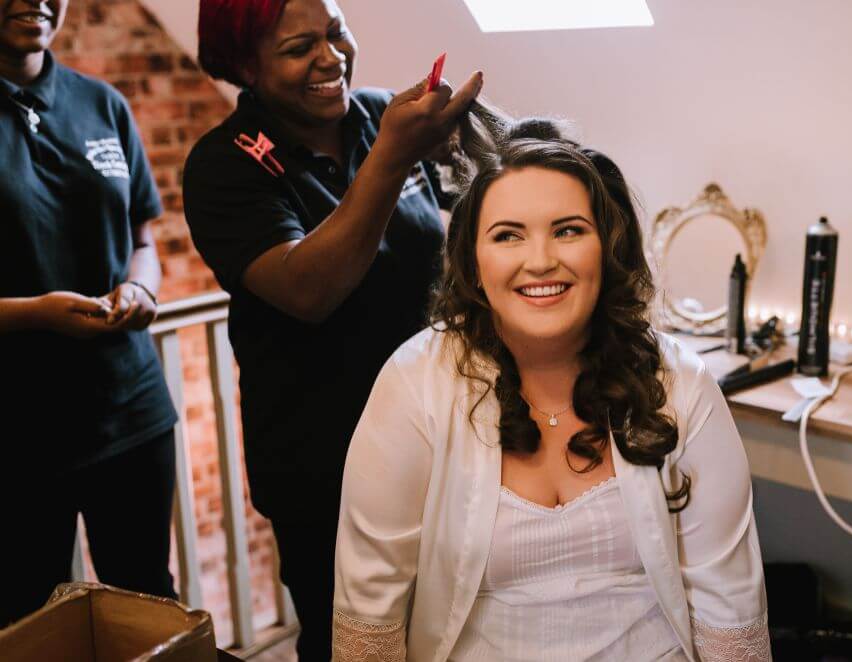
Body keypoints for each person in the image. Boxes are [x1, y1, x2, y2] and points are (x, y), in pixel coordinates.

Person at [333, 107, 772, 661]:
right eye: (508, 236)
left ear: (607, 249)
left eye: (568, 231)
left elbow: (729, 608)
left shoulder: (681, 382)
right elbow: (369, 615)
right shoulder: (414, 384)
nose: (540, 261)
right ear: (472, 260)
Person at [183, 1, 482, 658]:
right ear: (245, 65)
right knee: (351, 641)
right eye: (298, 48)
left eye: (337, 33)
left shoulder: (380, 115)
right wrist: (393, 158)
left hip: (434, 442)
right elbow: (309, 289)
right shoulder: (223, 166)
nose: (330, 59)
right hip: (324, 468)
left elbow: (453, 246)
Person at [0, 0, 178, 626]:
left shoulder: (101, 103)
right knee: (28, 616)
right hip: (17, 430)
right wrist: (35, 313)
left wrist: (142, 291)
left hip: (129, 409)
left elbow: (143, 240)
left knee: (148, 598)